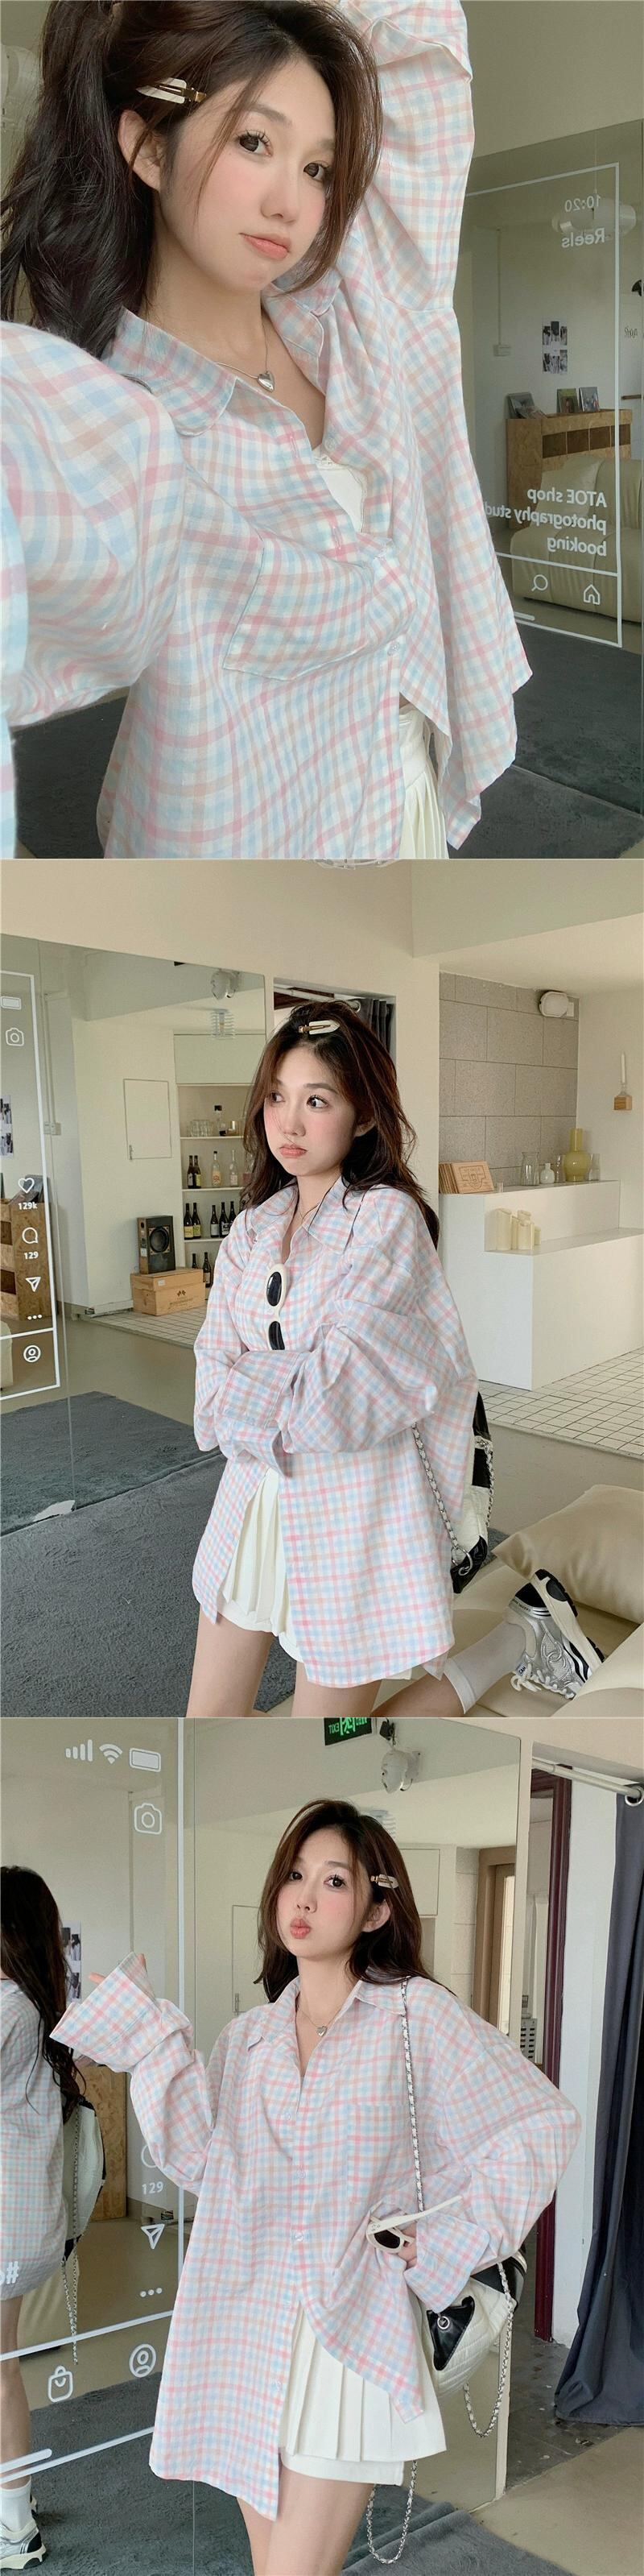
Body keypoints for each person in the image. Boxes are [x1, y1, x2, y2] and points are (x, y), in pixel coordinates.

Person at [1, 0, 530, 863]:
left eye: (317, 168)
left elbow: (421, 41)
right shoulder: (116, 420)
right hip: (255, 847)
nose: (291, 202)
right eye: (253, 142)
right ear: (147, 147)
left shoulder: (356, 320)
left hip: (406, 801)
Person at [52, 1799, 580, 2576]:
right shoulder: (251, 2038)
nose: (303, 1897)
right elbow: (203, 2164)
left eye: (333, 1881)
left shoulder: (417, 2018)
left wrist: (440, 2243)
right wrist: (155, 2044)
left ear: (376, 1909)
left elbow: (539, 2124)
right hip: (249, 2325)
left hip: (350, 2335)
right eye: (294, 1876)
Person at [187, 1000, 605, 1717]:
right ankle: (521, 1638)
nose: (289, 1124)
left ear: (363, 1116)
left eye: (317, 1100)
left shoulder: (386, 1219)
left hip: (354, 1516)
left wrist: (254, 1379)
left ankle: (515, 1642)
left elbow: (336, 1400)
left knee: (328, 1755)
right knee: (205, 1733)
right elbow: (208, 1390)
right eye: (277, 1098)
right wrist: (282, 1381)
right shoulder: (251, 1230)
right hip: (251, 1506)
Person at [0, 1868, 85, 2574]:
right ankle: (14, 2504)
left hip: (5, 2223)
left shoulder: (8, 2006)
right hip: (23, 2221)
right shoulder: (37, 2003)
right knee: (2, 2370)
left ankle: (15, 2527)